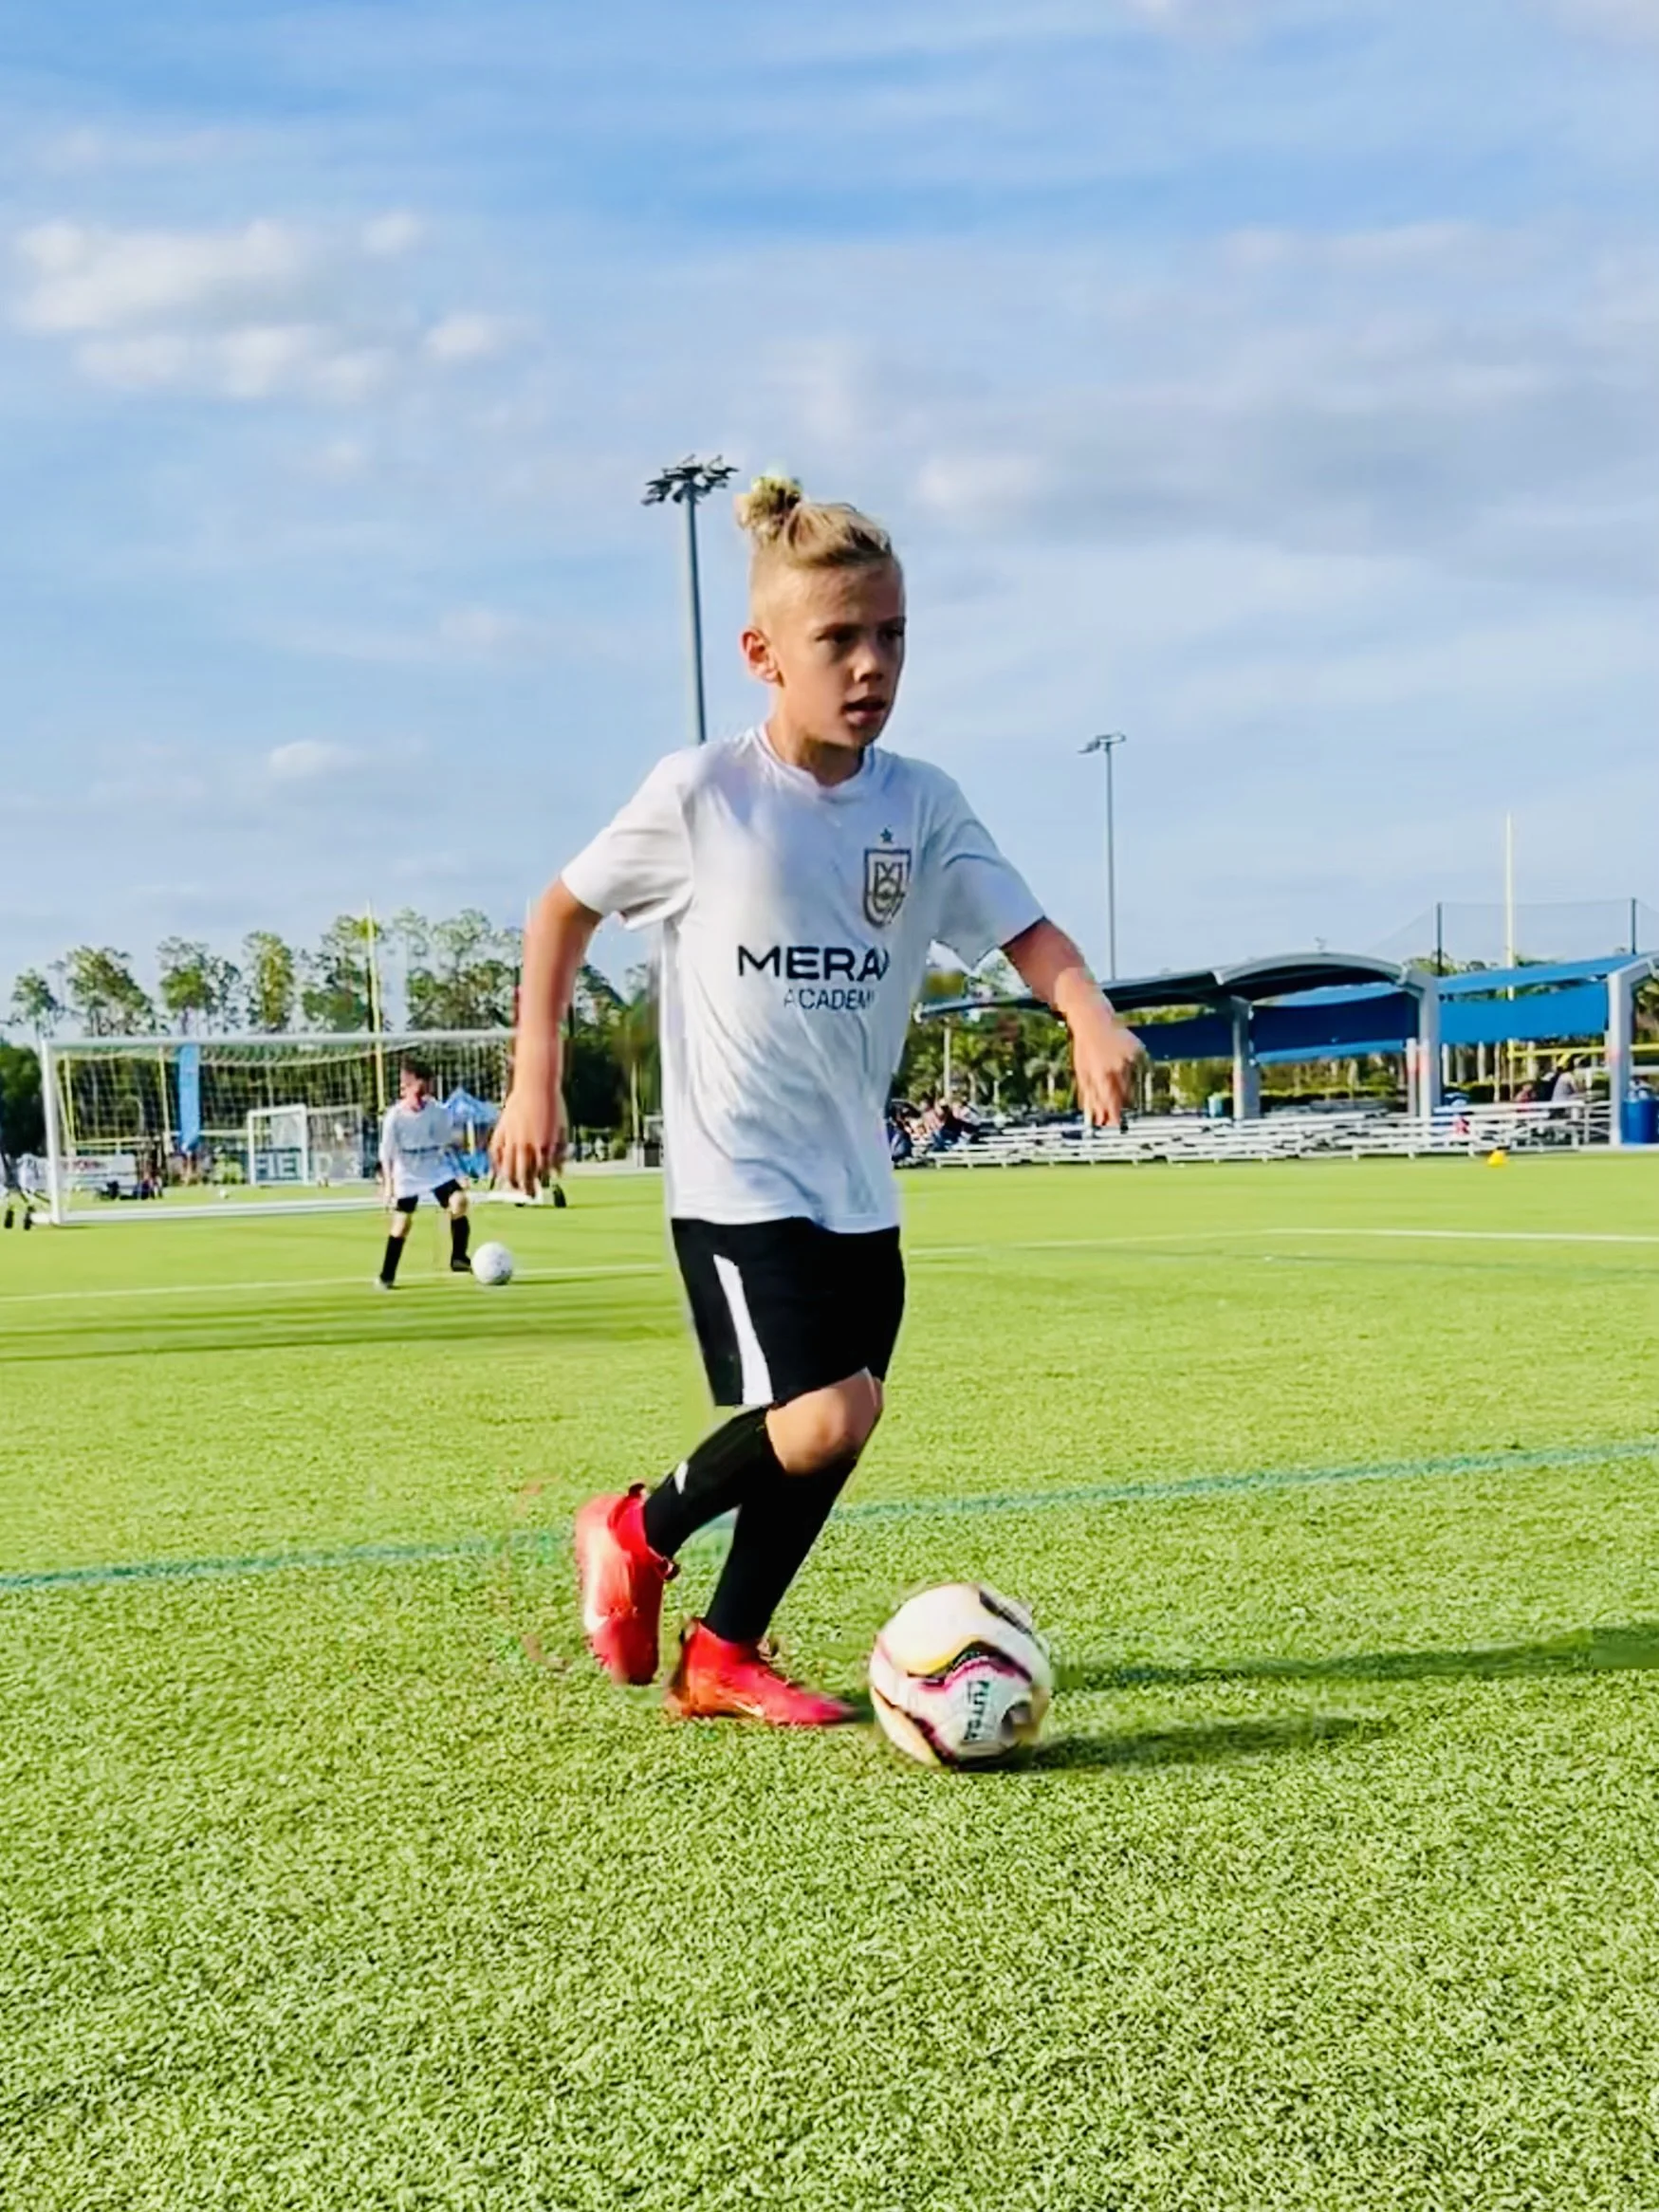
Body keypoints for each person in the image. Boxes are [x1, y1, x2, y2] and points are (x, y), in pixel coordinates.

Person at [490, 475, 1141, 1725]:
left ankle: (722, 1652)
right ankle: (635, 1526)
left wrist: (1086, 1011)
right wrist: (535, 1076)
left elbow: (1027, 929)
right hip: (737, 1173)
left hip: (857, 1181)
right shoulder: (703, 794)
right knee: (829, 1411)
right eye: (838, 637)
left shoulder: (922, 805)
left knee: (837, 1425)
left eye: (891, 634)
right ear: (763, 654)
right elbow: (560, 910)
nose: (870, 664)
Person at [377, 1059, 471, 1287]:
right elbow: (386, 1154)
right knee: (402, 1224)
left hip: (433, 1166)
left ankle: (458, 1257)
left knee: (459, 1202)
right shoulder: (394, 1117)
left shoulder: (437, 1112)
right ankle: (386, 1275)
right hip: (407, 1169)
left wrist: (459, 1172)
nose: (422, 1097)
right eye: (418, 1092)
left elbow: (446, 1144)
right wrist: (388, 1186)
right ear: (405, 1088)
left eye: (426, 1091)